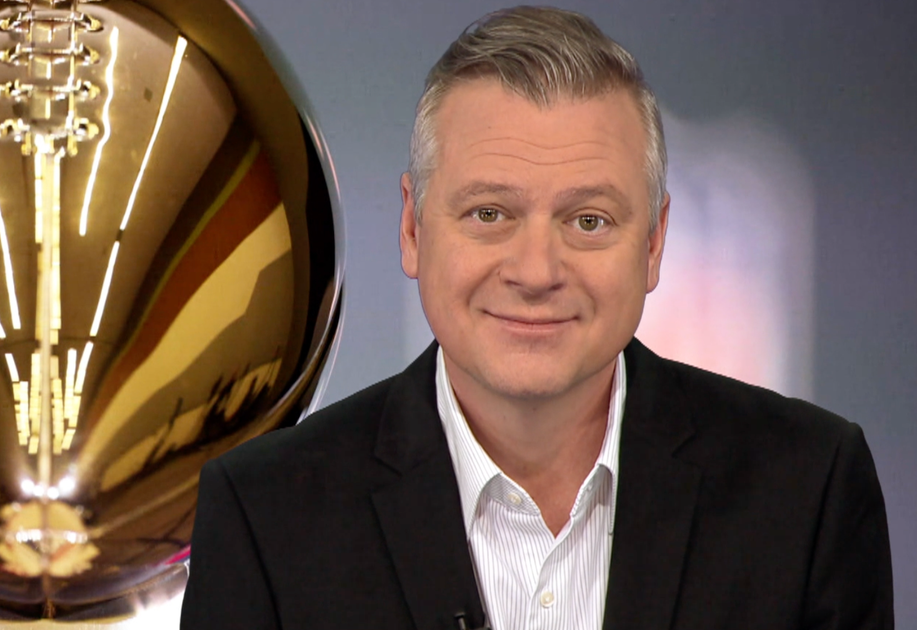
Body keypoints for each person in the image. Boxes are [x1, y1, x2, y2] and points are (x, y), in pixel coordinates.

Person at [179, 6, 893, 630]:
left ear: (654, 243)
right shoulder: (265, 515)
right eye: (489, 214)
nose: (536, 271)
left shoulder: (808, 493)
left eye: (588, 220)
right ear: (412, 228)